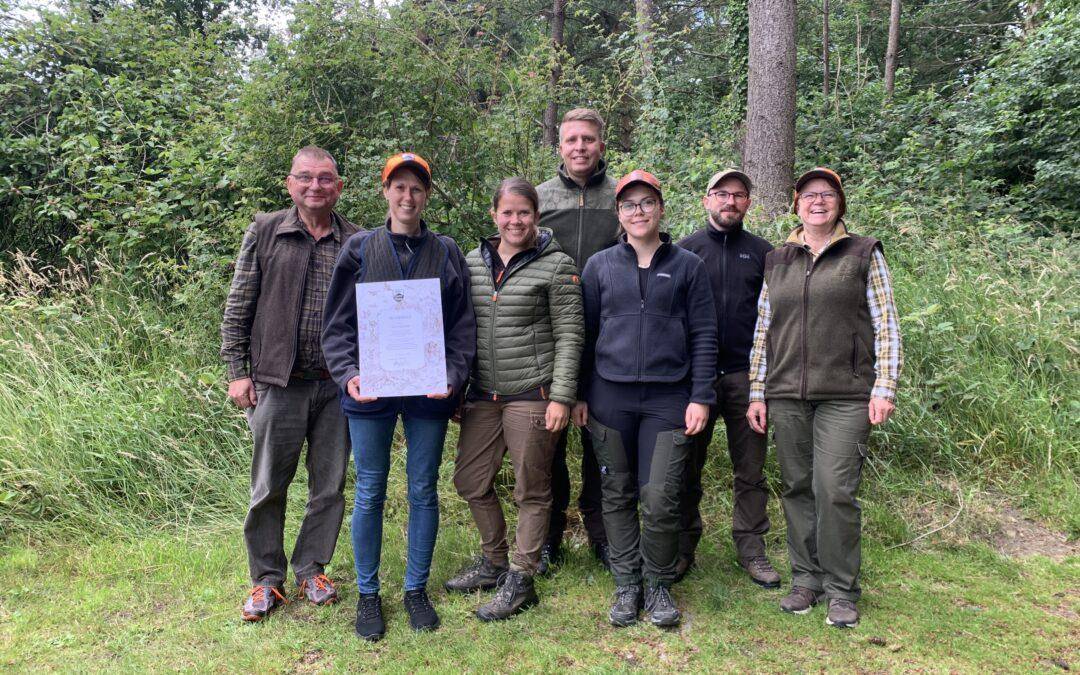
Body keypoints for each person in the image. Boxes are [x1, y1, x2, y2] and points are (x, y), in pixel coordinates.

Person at [321, 152, 475, 641]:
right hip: (373, 392)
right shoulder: (360, 249)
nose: (407, 196)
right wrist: (348, 375)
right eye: (399, 187)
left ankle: (415, 590)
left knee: (424, 488)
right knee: (369, 488)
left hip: (428, 390)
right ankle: (369, 595)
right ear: (385, 191)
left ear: (426, 195)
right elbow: (338, 325)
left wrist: (451, 376)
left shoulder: (447, 250)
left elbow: (462, 326)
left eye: (417, 188)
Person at [746, 167, 902, 629]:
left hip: (847, 395)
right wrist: (758, 392)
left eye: (828, 194)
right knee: (796, 487)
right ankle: (806, 579)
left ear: (840, 203)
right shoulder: (779, 259)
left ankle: (841, 589)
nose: (818, 201)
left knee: (834, 490)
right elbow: (763, 330)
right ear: (796, 203)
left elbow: (886, 324)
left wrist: (885, 386)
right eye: (810, 194)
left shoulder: (863, 252)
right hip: (787, 392)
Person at [220, 145, 360, 622]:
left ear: (339, 187)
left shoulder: (356, 240)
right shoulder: (266, 231)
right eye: (306, 178)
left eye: (325, 179)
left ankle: (312, 568)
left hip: (338, 387)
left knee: (330, 485)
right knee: (268, 486)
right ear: (290, 183)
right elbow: (238, 305)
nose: (315, 186)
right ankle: (266, 580)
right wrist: (237, 371)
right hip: (277, 383)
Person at [574, 170, 718, 628]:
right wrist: (579, 393)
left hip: (669, 397)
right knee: (615, 492)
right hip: (609, 397)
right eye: (629, 205)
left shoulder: (688, 266)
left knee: (659, 496)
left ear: (661, 208)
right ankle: (627, 583)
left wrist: (701, 396)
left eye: (647, 203)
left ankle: (657, 583)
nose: (639, 212)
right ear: (619, 213)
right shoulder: (600, 266)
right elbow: (585, 334)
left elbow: (704, 335)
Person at [446, 178, 584, 621]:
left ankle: (522, 578)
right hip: (483, 395)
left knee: (532, 489)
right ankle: (494, 561)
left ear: (536, 216)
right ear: (494, 216)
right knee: (470, 480)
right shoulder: (472, 262)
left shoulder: (557, 264)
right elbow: (456, 327)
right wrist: (454, 387)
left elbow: (570, 335)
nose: (515, 220)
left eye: (523, 212)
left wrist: (561, 396)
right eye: (507, 212)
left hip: (533, 394)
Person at [675, 169, 780, 587]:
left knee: (751, 470)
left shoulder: (764, 254)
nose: (729, 202)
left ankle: (752, 547)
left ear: (748, 203)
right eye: (721, 194)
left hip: (746, 379)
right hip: (694, 381)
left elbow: (776, 321)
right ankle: (682, 547)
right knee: (685, 468)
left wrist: (765, 384)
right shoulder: (684, 252)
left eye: (738, 195)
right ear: (706, 200)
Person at [535, 108, 621, 572]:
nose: (580, 147)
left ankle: (602, 535)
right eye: (572, 140)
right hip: (549, 335)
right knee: (548, 445)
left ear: (601, 145)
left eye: (589, 139)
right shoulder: (541, 197)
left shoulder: (621, 197)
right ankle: (548, 536)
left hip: (610, 337)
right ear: (560, 146)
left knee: (600, 446)